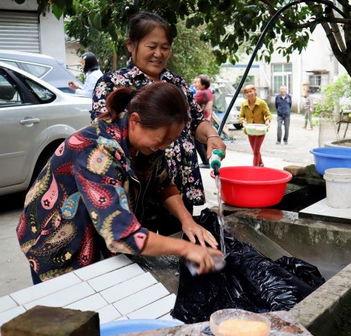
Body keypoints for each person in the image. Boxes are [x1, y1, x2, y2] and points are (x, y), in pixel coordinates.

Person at [17, 83, 223, 284]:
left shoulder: (148, 143)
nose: (165, 146)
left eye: (171, 140)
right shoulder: (96, 151)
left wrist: (188, 221)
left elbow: (163, 183)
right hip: (59, 244)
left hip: (99, 240)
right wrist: (187, 249)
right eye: (162, 139)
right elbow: (121, 235)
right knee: (66, 310)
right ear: (135, 121)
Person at [91, 12, 225, 233]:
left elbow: (197, 122)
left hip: (177, 187)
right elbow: (107, 137)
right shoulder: (112, 84)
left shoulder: (177, 83)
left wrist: (212, 136)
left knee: (181, 236)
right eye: (151, 46)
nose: (159, 53)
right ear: (131, 45)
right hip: (140, 189)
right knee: (140, 245)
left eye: (165, 47)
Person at [238, 85, 272, 167]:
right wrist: (243, 122)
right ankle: (260, 163)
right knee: (255, 150)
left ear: (255, 91)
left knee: (256, 151)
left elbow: (268, 115)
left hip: (260, 130)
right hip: (250, 130)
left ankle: (255, 168)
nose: (249, 94)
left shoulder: (261, 103)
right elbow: (241, 116)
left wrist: (267, 121)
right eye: (246, 92)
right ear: (245, 94)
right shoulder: (244, 104)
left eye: (250, 91)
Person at [193, 74, 214, 168]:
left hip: (200, 120)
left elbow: (191, 103)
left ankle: (205, 162)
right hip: (207, 118)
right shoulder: (208, 92)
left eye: (197, 82)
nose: (195, 84)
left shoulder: (201, 93)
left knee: (198, 141)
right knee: (204, 140)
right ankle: (207, 159)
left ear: (203, 84)